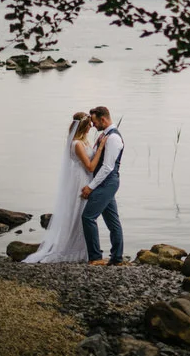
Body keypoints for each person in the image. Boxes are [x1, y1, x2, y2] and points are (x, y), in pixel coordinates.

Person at [23, 111, 102, 263]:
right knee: (78, 213)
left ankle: (83, 249)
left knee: (83, 214)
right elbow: (90, 166)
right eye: (88, 125)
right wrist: (100, 149)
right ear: (83, 126)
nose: (90, 127)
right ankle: (73, 249)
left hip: (86, 178)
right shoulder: (76, 144)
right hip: (80, 180)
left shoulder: (84, 141)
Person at [80, 105, 125, 266]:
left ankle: (96, 257)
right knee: (112, 221)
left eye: (94, 122)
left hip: (107, 182)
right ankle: (117, 258)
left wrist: (90, 187)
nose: (93, 125)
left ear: (103, 119)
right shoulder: (104, 136)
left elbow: (107, 167)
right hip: (105, 182)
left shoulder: (113, 138)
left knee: (88, 217)